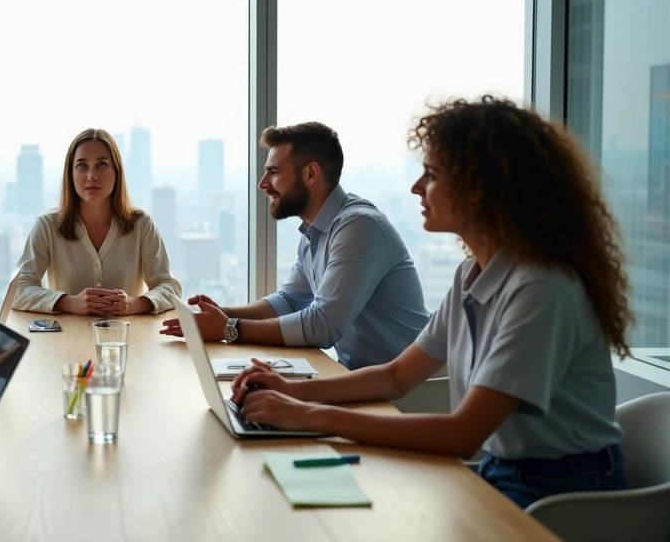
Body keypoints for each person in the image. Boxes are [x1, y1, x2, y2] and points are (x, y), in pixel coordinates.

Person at [228, 97, 630, 508]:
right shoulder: (472, 275)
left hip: (565, 491)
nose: (417, 187)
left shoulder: (540, 290)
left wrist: (308, 414)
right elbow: (396, 376)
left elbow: (462, 434)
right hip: (499, 469)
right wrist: (292, 391)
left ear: (481, 188)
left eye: (432, 174)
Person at [161, 122, 428, 369]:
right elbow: (290, 300)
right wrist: (221, 314)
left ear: (311, 173)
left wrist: (229, 327)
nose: (263, 184)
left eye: (274, 172)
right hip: (360, 376)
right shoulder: (317, 227)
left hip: (411, 388)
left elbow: (323, 327)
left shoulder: (359, 226)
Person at [12, 128, 180, 316]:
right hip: (64, 341)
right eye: (82, 166)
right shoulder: (47, 225)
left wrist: (133, 304)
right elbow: (18, 291)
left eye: (101, 165)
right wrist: (69, 302)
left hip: (127, 339)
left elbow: (169, 286)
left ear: (116, 171)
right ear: (71, 174)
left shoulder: (142, 224)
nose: (91, 176)